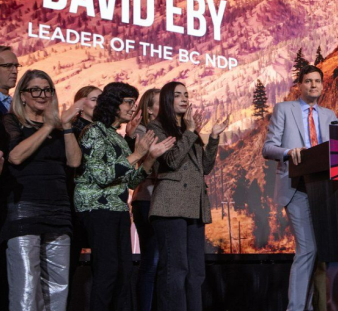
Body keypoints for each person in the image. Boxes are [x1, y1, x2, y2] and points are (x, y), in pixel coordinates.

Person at [75, 82, 174, 311]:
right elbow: (101, 175)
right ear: (113, 104)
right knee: (107, 272)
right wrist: (137, 154)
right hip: (97, 209)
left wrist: (149, 159)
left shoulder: (117, 137)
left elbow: (130, 182)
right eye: (129, 102)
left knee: (124, 273)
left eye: (134, 102)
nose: (133, 108)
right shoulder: (94, 132)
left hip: (118, 210)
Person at [1, 70, 84, 310]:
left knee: (58, 286)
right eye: (35, 90)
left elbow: (74, 162)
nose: (42, 95)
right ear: (23, 95)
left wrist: (65, 126)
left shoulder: (59, 128)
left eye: (47, 90)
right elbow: (16, 156)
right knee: (27, 286)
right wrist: (48, 126)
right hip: (25, 207)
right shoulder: (12, 121)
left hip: (59, 208)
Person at [262, 65, 338, 311]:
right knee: (308, 248)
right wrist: (289, 152)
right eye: (308, 81)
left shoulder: (329, 115)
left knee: (317, 251)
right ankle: (295, 308)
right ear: (300, 85)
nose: (313, 85)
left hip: (325, 188)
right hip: (297, 186)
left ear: (322, 85)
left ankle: (308, 306)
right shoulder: (285, 109)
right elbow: (268, 148)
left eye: (317, 81)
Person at [148, 82, 228, 311]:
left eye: (186, 95)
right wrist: (190, 132)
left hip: (194, 205)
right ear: (167, 99)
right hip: (170, 205)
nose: (184, 99)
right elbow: (172, 161)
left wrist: (213, 138)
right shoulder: (156, 127)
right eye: (177, 95)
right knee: (176, 269)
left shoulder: (186, 128)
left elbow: (205, 167)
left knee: (196, 272)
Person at [67, 85, 102, 282]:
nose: (99, 104)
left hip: (97, 202)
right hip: (77, 201)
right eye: (94, 99)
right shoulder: (74, 129)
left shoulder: (103, 131)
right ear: (80, 104)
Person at [131, 88, 160, 311]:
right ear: (149, 109)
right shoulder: (142, 130)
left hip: (162, 200)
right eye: (161, 103)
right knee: (151, 259)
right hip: (146, 199)